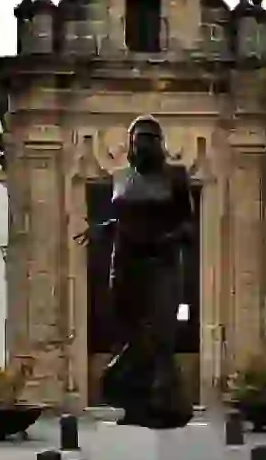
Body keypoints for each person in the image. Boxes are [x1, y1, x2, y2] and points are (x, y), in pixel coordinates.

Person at [76, 115, 196, 429]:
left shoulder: (176, 177)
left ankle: (164, 396)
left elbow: (188, 224)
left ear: (159, 143)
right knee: (127, 326)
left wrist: (170, 237)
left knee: (158, 330)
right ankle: (134, 397)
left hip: (161, 262)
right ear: (130, 144)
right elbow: (125, 217)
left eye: (148, 138)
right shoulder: (120, 177)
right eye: (137, 139)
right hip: (125, 260)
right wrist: (105, 228)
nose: (142, 144)